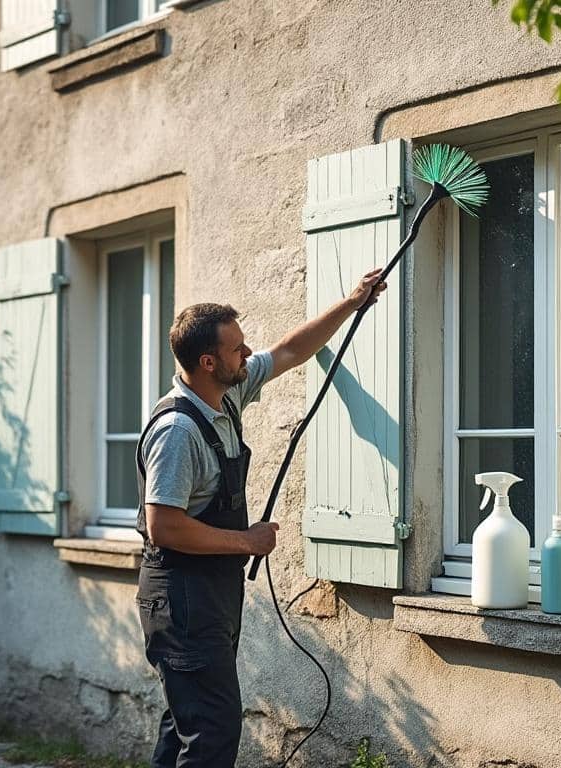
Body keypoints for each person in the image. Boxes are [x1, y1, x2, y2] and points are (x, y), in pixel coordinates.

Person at [134, 268, 387, 766]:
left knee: (186, 724)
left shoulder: (224, 397)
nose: (247, 355)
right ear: (208, 362)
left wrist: (352, 302)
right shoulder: (178, 432)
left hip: (209, 596)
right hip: (181, 599)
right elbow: (164, 525)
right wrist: (247, 542)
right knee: (211, 732)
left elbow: (292, 351)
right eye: (237, 349)